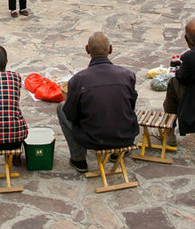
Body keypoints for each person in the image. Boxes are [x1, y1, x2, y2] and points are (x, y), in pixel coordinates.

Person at [57, 32, 138, 173]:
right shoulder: (127, 75)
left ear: (87, 49)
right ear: (110, 49)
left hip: (92, 139)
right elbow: (131, 106)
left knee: (61, 107)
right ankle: (117, 152)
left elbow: (71, 115)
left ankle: (78, 158)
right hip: (125, 136)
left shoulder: (78, 80)